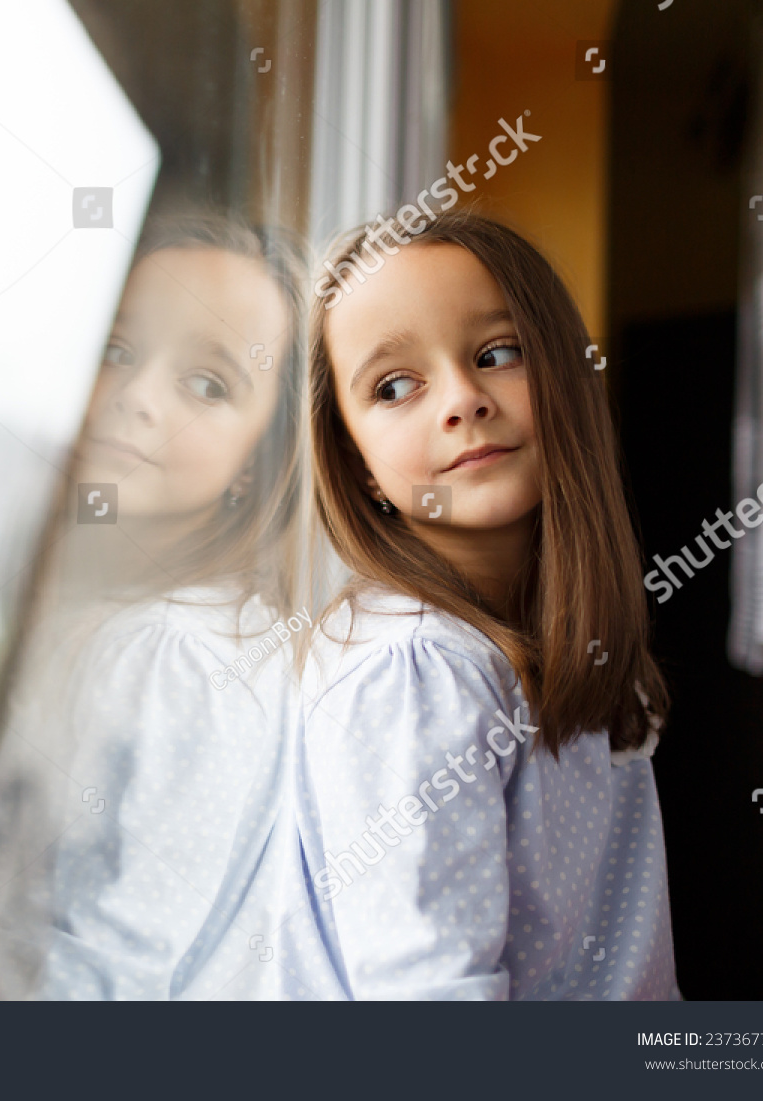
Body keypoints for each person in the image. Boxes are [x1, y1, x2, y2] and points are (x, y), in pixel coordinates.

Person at [283, 210, 678, 999]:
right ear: (358, 466)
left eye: (498, 354)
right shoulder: (413, 672)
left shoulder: (579, 649)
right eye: (394, 386)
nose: (463, 400)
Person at [0, 208, 313, 999]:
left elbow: (129, 966)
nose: (136, 396)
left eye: (208, 383)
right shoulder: (79, 613)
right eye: (116, 349)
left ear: (260, 458)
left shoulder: (178, 653)